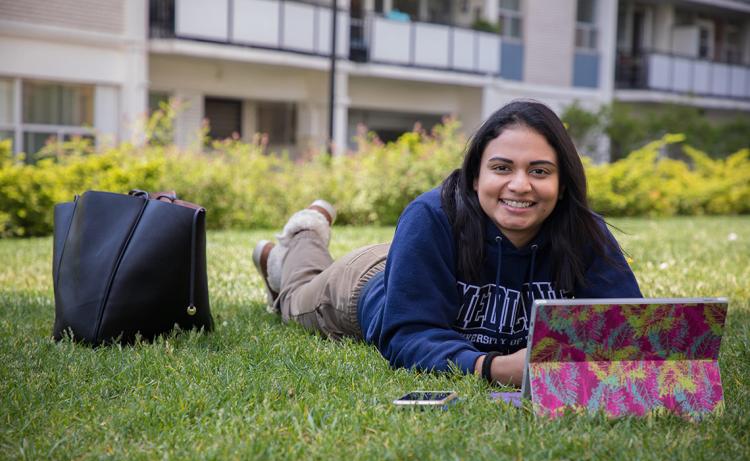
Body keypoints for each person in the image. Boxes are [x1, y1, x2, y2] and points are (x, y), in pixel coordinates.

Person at [252, 100, 642, 386]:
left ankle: (282, 258)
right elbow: (406, 335)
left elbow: (631, 328)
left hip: (419, 263)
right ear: (475, 176)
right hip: (363, 287)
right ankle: (305, 233)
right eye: (502, 167)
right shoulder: (430, 217)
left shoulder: (584, 232)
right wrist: (490, 367)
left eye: (539, 171)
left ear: (561, 183)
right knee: (295, 296)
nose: (520, 185)